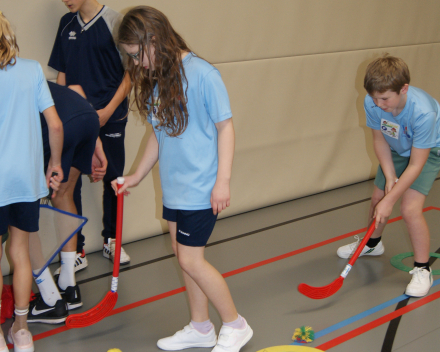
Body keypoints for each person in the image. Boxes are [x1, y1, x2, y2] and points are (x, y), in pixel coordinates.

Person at [112, 7, 253, 352]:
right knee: (182, 255)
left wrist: (224, 180)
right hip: (175, 189)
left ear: (154, 39)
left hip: (202, 189)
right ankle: (201, 327)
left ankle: (235, 324)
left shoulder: (203, 74)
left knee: (192, 260)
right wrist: (135, 176)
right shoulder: (163, 76)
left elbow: (226, 128)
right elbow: (157, 137)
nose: (137, 63)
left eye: (137, 54)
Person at [337, 55, 440, 297]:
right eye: (374, 97)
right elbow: (379, 139)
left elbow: (416, 163)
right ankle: (372, 244)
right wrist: (390, 176)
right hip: (395, 147)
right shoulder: (372, 101)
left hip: (426, 152)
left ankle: (423, 269)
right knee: (377, 199)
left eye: (384, 98)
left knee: (409, 208)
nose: (379, 104)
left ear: (403, 89)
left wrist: (391, 198)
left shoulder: (423, 113)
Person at [48, 0, 132, 267]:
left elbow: (131, 74)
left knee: (114, 179)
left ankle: (112, 240)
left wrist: (107, 111)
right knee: (71, 185)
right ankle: (77, 251)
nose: (65, 0)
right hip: (78, 120)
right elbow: (62, 74)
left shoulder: (116, 22)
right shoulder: (66, 24)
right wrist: (61, 113)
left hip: (111, 115)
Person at [0, 11, 64, 351]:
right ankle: (22, 330)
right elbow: (55, 125)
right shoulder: (31, 70)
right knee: (20, 252)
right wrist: (54, 163)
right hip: (24, 180)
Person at [26, 82, 105, 324]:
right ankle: (69, 285)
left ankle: (50, 299)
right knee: (64, 195)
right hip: (88, 118)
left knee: (21, 215)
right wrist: (96, 145)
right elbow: (78, 90)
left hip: (59, 127)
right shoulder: (28, 70)